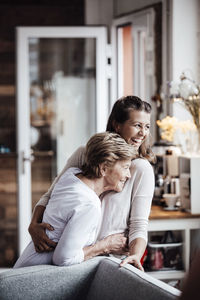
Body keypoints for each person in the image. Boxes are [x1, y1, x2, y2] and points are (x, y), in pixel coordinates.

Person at [29, 95, 156, 271]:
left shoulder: (141, 169)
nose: (143, 133)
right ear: (116, 125)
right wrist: (33, 225)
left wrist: (135, 255)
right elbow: (51, 195)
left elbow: (139, 225)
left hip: (110, 259)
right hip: (72, 255)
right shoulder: (84, 154)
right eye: (137, 125)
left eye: (147, 126)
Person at [14, 132, 135, 268]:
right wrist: (105, 246)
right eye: (125, 168)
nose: (129, 175)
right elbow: (63, 259)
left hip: (23, 267)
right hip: (32, 280)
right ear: (103, 168)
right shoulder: (89, 204)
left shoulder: (71, 175)